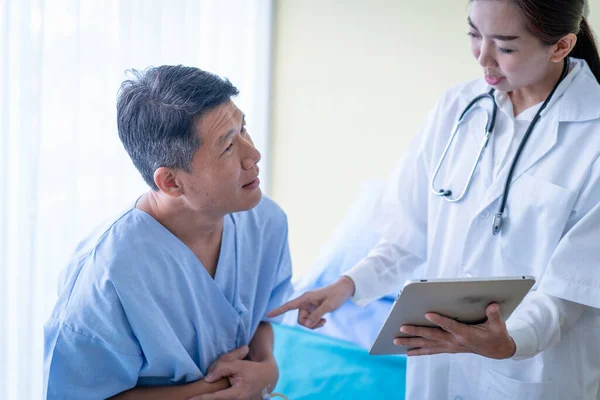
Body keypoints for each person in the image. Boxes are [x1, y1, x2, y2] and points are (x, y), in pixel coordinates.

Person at [269, 0, 600, 399]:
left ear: (562, 46)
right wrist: (347, 285)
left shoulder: (592, 134)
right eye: (474, 34)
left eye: (506, 46)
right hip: (438, 365)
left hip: (536, 371)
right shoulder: (457, 108)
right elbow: (407, 235)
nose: (483, 57)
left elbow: (574, 286)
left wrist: (510, 340)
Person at [44, 65, 292, 400]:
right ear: (171, 182)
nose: (254, 155)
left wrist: (266, 368)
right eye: (228, 147)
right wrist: (210, 391)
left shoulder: (265, 222)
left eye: (243, 129)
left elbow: (262, 316)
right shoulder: (107, 275)